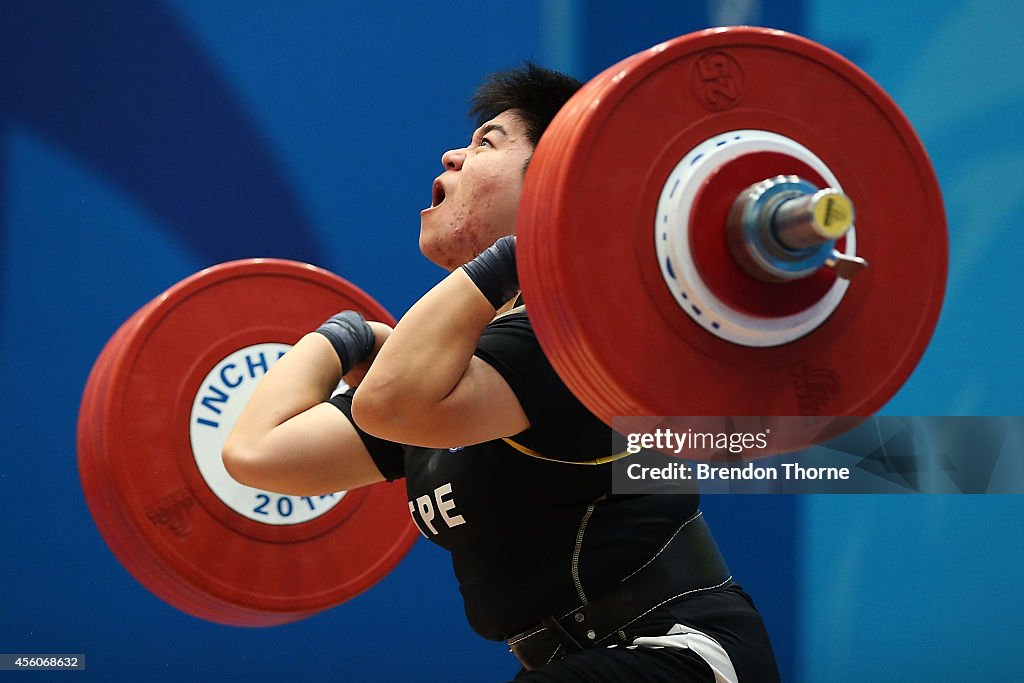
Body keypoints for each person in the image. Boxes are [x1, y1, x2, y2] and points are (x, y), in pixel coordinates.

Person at [222, 63, 781, 682]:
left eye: (486, 141)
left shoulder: (570, 339)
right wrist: (343, 335)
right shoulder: (447, 383)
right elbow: (257, 454)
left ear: (555, 178)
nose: (452, 156)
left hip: (677, 654)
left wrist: (542, 238)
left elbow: (390, 404)